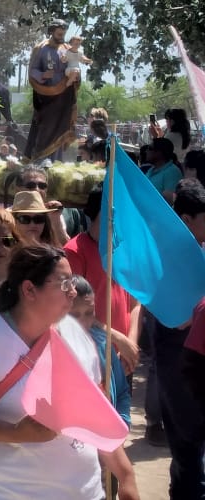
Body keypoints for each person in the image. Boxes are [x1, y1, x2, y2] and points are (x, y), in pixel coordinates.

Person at [0, 245, 140, 500]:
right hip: (1, 492)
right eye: (64, 283)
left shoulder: (76, 334)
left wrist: (125, 475)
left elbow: (94, 413)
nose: (73, 291)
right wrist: (16, 434)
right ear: (29, 290)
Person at [152, 178, 205, 498]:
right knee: (187, 446)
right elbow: (165, 312)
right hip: (180, 358)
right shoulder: (163, 256)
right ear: (186, 221)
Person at [64, 184, 140, 374]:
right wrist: (117, 339)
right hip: (92, 356)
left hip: (123, 356)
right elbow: (71, 311)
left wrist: (130, 342)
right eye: (111, 216)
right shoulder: (74, 251)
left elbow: (136, 303)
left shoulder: (125, 249)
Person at [69, 276, 131, 427]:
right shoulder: (50, 350)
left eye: (89, 313)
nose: (83, 322)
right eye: (74, 315)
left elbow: (122, 391)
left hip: (108, 436)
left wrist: (122, 422)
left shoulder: (103, 343)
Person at [25, 19, 78, 161]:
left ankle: (56, 162)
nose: (62, 36)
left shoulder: (67, 48)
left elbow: (74, 66)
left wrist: (76, 76)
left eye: (63, 34)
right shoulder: (41, 48)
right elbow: (32, 70)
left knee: (61, 131)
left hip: (64, 96)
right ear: (52, 31)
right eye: (59, 33)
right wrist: (42, 75)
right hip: (46, 98)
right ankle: (41, 160)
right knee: (45, 130)